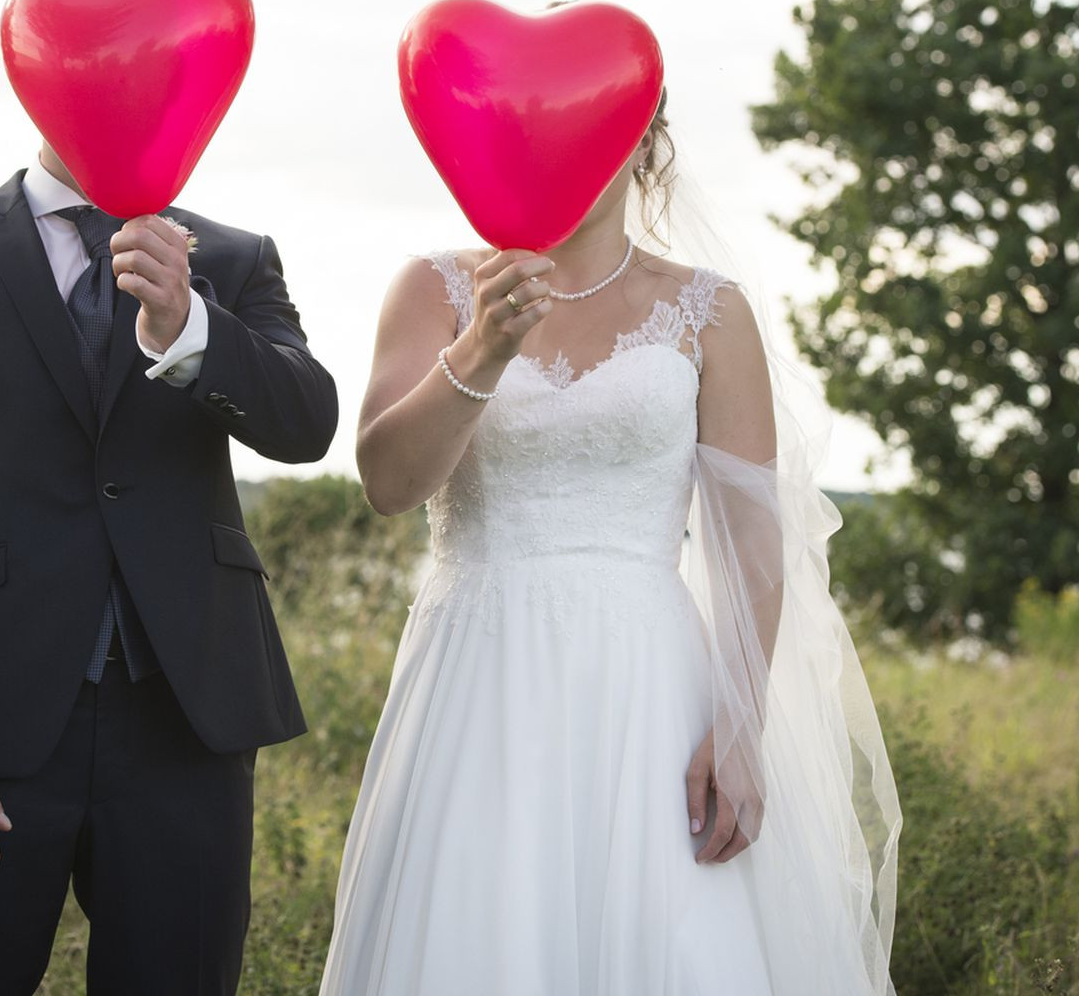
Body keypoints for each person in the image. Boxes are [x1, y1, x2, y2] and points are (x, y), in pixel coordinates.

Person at [0, 0, 338, 994]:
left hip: (187, 722)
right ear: (43, 68)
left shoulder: (232, 260)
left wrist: (190, 326)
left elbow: (307, 423)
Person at [321, 80, 901, 993]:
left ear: (646, 143)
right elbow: (389, 484)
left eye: (596, 131)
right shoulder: (436, 288)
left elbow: (753, 538)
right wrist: (483, 348)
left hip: (647, 679)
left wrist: (741, 726)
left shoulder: (711, 310)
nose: (568, 153)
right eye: (542, 128)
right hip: (478, 667)